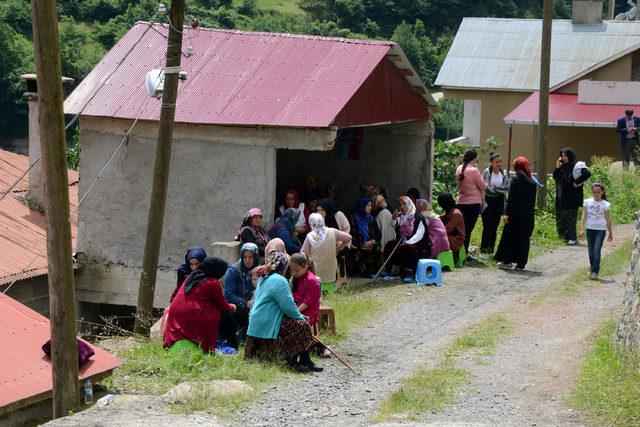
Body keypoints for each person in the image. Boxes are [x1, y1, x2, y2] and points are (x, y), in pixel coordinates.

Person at [244, 252, 320, 373]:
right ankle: (292, 362)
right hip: (267, 321)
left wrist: (299, 316)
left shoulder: (265, 277)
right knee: (301, 325)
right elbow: (288, 307)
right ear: (283, 266)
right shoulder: (279, 280)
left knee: (301, 323)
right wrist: (301, 317)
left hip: (259, 319)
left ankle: (306, 360)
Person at [163, 257, 236, 353]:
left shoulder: (191, 277)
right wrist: (233, 307)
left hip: (175, 316)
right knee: (220, 314)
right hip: (192, 317)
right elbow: (223, 306)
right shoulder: (213, 283)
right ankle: (224, 344)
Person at [494, 157, 537, 270]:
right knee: (524, 239)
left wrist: (507, 214)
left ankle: (507, 261)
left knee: (510, 238)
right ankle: (521, 264)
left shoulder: (516, 179)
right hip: (528, 215)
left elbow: (511, 200)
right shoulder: (532, 181)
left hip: (515, 215)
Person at [221, 243, 259, 349]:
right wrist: (245, 303)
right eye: (245, 257)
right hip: (236, 306)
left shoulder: (258, 270)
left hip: (252, 304)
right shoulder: (233, 271)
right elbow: (229, 295)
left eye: (251, 257)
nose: (247, 260)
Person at [301, 213, 352, 292]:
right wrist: (339, 248)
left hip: (316, 270)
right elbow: (349, 237)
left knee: (318, 291)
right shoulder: (333, 231)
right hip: (331, 268)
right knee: (330, 290)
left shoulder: (310, 236)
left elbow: (303, 254)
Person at [385, 198, 432, 282]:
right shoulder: (401, 216)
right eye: (400, 205)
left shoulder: (418, 217)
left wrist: (407, 243)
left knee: (407, 248)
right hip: (404, 242)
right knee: (389, 245)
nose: (402, 207)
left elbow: (419, 235)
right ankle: (388, 269)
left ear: (409, 204)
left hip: (419, 246)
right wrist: (393, 218)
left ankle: (409, 272)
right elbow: (394, 224)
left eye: (404, 204)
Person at [553, 148, 591, 245]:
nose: (563, 158)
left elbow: (587, 173)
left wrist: (577, 182)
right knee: (561, 216)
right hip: (561, 196)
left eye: (565, 155)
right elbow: (555, 177)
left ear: (570, 155)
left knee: (570, 217)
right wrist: (557, 167)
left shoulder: (577, 165)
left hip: (572, 197)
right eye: (562, 156)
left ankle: (572, 238)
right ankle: (563, 237)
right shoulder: (562, 166)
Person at [456, 148, 487, 260]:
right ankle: (464, 254)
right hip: (473, 204)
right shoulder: (474, 170)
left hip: (461, 202)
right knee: (468, 229)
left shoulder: (459, 168)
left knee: (462, 229)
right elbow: (483, 186)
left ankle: (460, 252)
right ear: (474, 158)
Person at [579, 183, 613, 281]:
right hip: (590, 229)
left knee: (596, 250)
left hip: (601, 230)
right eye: (594, 192)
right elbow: (583, 216)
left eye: (598, 192)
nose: (596, 194)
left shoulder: (605, 204)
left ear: (602, 192)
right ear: (592, 192)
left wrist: (610, 232)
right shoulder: (587, 202)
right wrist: (581, 229)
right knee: (591, 251)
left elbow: (608, 219)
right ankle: (592, 266)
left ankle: (594, 272)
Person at [481, 152, 509, 255]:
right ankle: (483, 251)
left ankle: (491, 251)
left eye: (500, 161)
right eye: (497, 162)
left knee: (495, 227)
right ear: (491, 162)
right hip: (488, 201)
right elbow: (486, 188)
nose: (499, 163)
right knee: (487, 226)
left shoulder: (503, 173)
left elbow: (506, 187)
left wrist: (495, 189)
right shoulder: (486, 172)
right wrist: (498, 189)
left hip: (499, 202)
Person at [348, 197, 382, 277]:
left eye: (371, 205)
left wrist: (371, 242)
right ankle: (359, 271)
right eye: (368, 205)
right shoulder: (352, 218)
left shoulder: (371, 218)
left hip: (369, 243)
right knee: (359, 252)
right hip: (356, 244)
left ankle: (372, 271)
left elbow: (378, 234)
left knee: (375, 248)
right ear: (361, 206)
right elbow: (347, 233)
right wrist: (354, 245)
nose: (371, 207)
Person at [437, 192, 466, 264]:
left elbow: (447, 229)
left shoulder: (456, 214)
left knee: (437, 239)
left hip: (457, 239)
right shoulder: (449, 211)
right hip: (450, 236)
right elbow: (442, 219)